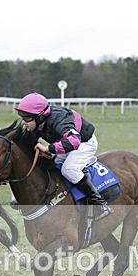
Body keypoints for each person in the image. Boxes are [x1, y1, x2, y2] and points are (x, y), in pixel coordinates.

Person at [14, 92, 112, 220]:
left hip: (84, 143)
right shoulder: (36, 124)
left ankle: (99, 204)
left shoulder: (59, 120)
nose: (24, 122)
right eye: (22, 118)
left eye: (27, 118)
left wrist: (48, 148)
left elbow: (74, 141)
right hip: (65, 143)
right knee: (46, 163)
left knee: (69, 169)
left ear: (40, 117)